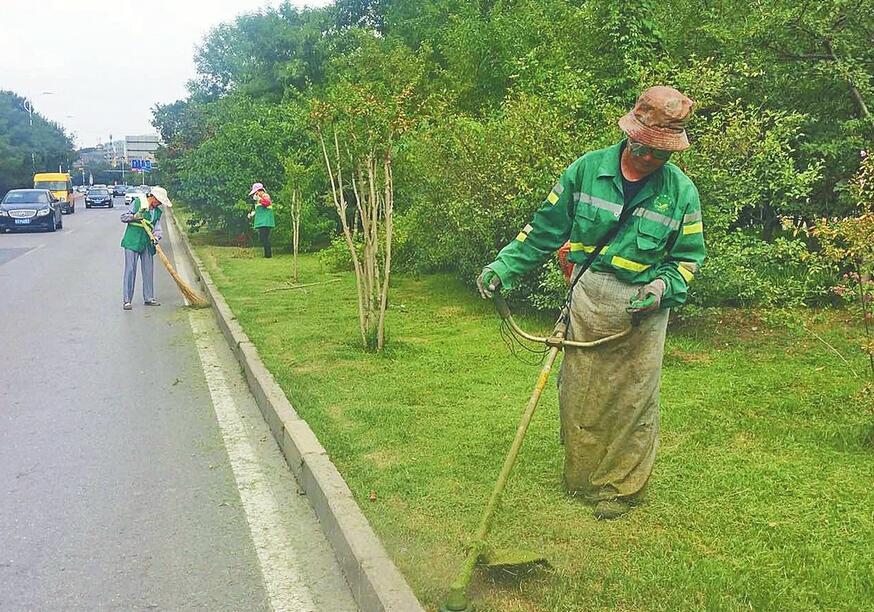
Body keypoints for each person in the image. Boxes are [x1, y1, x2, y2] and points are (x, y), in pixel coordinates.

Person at [476, 86, 706, 520]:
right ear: (629, 133)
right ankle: (582, 478)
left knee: (632, 401)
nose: (650, 157)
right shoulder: (585, 170)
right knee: (580, 394)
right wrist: (503, 267)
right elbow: (542, 230)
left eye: (661, 152)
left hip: (643, 309)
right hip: (588, 296)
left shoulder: (681, 192)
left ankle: (619, 488)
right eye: (644, 147)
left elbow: (688, 259)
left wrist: (661, 289)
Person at [120, 187, 172, 310]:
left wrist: (156, 237)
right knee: (130, 270)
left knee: (148, 270)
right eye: (159, 201)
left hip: (147, 242)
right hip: (132, 241)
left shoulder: (157, 212)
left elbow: (158, 229)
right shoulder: (138, 203)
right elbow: (123, 217)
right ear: (153, 197)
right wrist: (134, 217)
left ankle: (149, 298)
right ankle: (127, 300)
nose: (159, 204)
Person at [248, 182, 275, 258]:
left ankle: (268, 255)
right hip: (262, 222)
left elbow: (267, 203)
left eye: (255, 193)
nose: (255, 195)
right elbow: (259, 209)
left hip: (266, 221)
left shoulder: (265, 196)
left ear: (259, 191)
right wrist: (252, 214)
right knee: (263, 238)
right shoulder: (259, 199)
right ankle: (267, 255)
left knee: (264, 238)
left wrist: (260, 199)